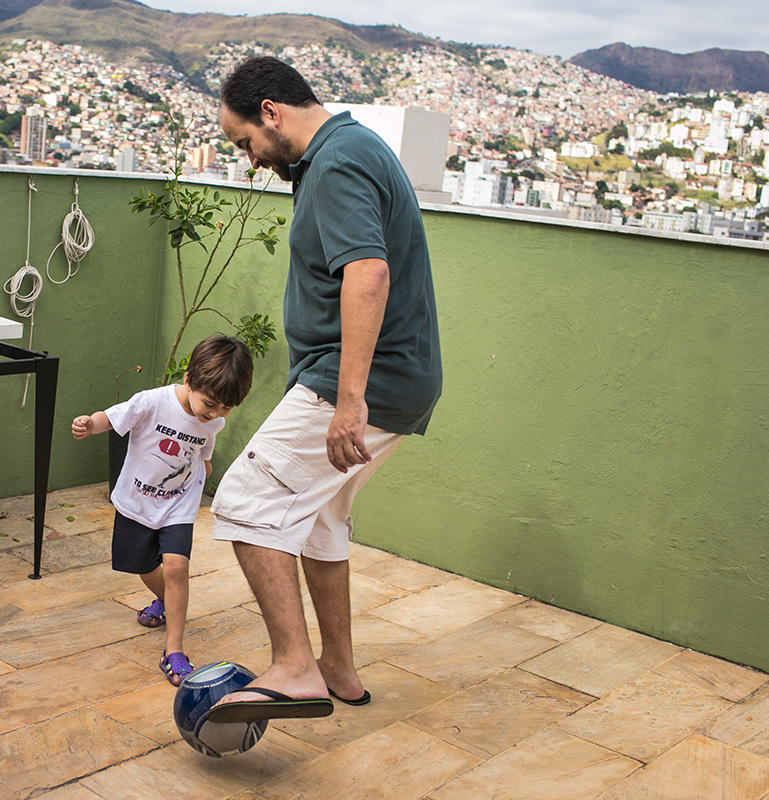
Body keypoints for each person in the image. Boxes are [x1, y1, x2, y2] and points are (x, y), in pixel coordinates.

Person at [206, 56, 442, 724]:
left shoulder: (337, 162)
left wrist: (348, 401)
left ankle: (295, 670)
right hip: (396, 377)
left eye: (245, 142)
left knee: (248, 502)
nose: (250, 159)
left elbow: (367, 275)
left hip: (358, 381)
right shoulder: (344, 150)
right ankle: (338, 671)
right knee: (320, 520)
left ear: (271, 112)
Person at [72, 335, 254, 686]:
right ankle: (164, 599)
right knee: (142, 566)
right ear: (189, 380)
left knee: (176, 567)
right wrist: (90, 425)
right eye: (211, 404)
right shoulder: (153, 402)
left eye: (226, 409)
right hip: (138, 500)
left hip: (179, 504)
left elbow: (202, 451)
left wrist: (204, 468)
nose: (216, 414)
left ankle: (174, 650)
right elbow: (112, 418)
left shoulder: (213, 421)